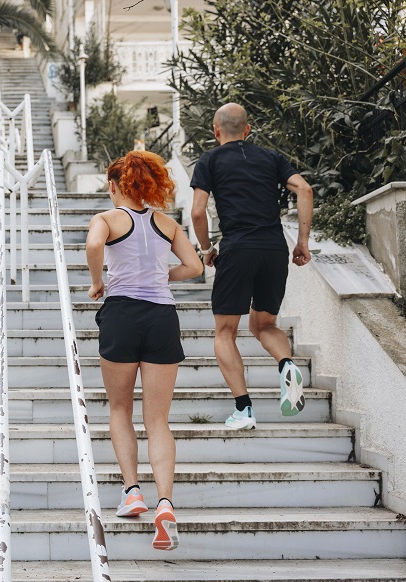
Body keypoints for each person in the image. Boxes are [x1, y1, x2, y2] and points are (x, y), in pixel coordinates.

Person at [86, 151, 203, 551]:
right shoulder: (167, 223)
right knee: (158, 420)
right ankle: (165, 503)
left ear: (115, 185)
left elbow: (94, 245)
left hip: (121, 314)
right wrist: (160, 274)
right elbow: (195, 267)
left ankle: (133, 491)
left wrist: (97, 282)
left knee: (120, 409)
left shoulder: (106, 219)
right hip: (161, 318)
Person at [190, 103, 313, 430]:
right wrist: (302, 242)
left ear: (216, 130)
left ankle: (243, 410)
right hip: (274, 248)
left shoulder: (209, 160)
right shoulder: (270, 157)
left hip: (238, 248)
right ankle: (287, 366)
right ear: (247, 130)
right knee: (264, 324)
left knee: (225, 331)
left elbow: (198, 212)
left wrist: (206, 249)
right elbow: (304, 189)